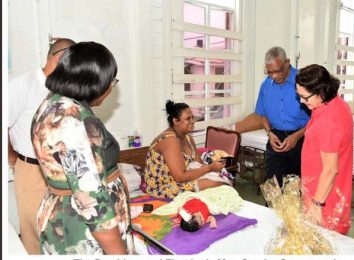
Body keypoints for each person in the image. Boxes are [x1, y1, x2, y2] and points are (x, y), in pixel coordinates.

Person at [31, 41, 135, 254]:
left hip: (61, 211)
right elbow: (93, 206)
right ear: (96, 83)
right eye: (110, 81)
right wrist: (118, 253)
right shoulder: (76, 122)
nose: (109, 88)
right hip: (84, 229)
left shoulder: (52, 103)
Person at [8, 38, 76, 254]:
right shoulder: (23, 85)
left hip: (59, 169)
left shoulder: (61, 89)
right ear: (61, 57)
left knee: (61, 232)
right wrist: (13, 159)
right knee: (35, 232)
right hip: (32, 169)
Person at [295, 64, 354, 235]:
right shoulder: (334, 104)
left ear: (321, 91)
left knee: (323, 242)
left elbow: (330, 170)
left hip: (324, 198)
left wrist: (316, 205)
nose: (302, 101)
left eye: (305, 98)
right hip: (327, 189)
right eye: (299, 96)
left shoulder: (328, 120)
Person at [144, 100, 226, 198]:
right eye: (188, 118)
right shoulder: (169, 140)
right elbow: (180, 177)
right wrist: (209, 168)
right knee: (214, 184)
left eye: (192, 117)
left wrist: (214, 168)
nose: (192, 121)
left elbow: (198, 163)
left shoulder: (188, 138)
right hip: (164, 188)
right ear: (175, 121)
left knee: (222, 179)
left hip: (181, 181)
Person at [254, 46, 310, 187]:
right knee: (273, 186)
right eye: (270, 72)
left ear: (287, 63)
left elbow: (317, 118)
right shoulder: (266, 85)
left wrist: (296, 136)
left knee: (297, 187)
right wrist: (270, 133)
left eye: (277, 71)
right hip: (276, 138)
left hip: (303, 138)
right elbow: (263, 115)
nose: (274, 76)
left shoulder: (304, 81)